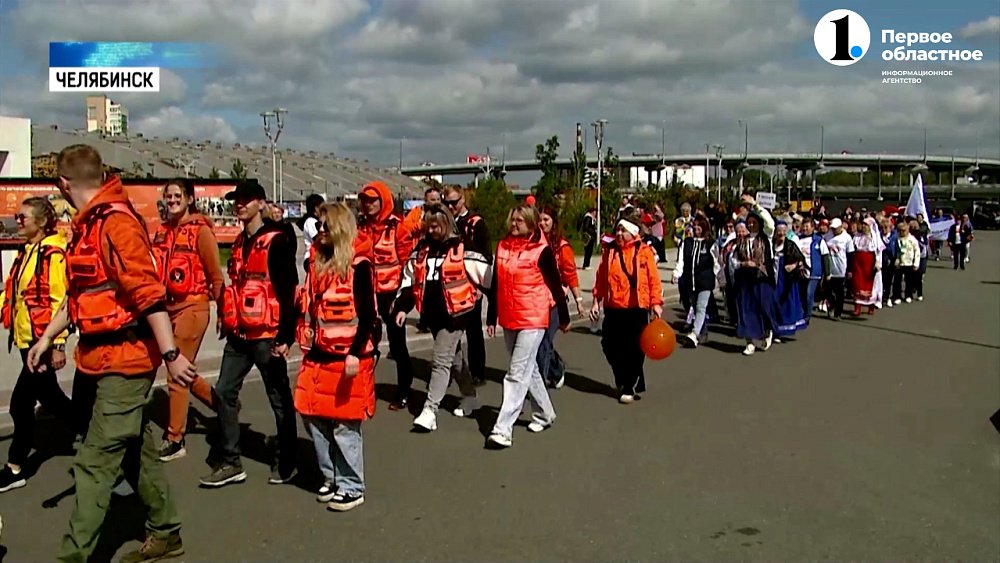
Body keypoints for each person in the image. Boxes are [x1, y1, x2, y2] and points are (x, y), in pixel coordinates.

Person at [26, 144, 197, 562]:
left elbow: (148, 295)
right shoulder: (89, 227)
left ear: (63, 185)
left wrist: (172, 355)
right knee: (135, 449)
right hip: (101, 358)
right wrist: (48, 337)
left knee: (95, 460)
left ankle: (73, 557)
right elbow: (83, 295)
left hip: (128, 359)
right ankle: (166, 530)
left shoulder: (116, 225)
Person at [203, 179, 299, 488]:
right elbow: (236, 285)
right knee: (224, 391)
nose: (239, 204)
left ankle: (287, 459)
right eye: (236, 200)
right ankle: (231, 461)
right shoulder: (239, 242)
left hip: (267, 334)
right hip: (239, 333)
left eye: (245, 199)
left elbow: (288, 292)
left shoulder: (276, 241)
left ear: (260, 203)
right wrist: (224, 317)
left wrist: (286, 337)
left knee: (279, 398)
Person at [294, 203, 380, 512]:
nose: (320, 231)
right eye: (318, 226)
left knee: (345, 426)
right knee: (312, 416)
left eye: (326, 226)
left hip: (349, 357)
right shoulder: (317, 265)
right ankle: (331, 477)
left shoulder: (360, 267)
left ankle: (352, 485)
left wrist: (356, 353)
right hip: (317, 355)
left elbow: (369, 315)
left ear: (341, 228)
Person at [393, 204, 491, 432]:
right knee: (454, 360)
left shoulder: (463, 247)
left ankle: (430, 410)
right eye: (429, 226)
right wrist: (402, 307)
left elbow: (487, 276)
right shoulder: (422, 250)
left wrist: (492, 306)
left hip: (456, 316)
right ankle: (470, 396)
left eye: (436, 226)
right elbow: (410, 280)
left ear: (447, 223)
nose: (432, 230)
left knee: (440, 360)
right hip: (432, 316)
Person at [0, 197, 74, 494]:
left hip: (40, 341)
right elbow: (14, 295)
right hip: (26, 339)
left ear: (41, 222)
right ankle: (104, 439)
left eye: (23, 217)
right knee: (54, 400)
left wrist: (57, 343)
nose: (17, 221)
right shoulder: (29, 251)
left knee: (21, 403)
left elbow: (60, 300)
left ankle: (15, 467)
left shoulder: (53, 254)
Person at [151, 178, 224, 462]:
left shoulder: (200, 232)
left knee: (175, 372)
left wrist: (224, 313)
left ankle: (175, 437)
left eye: (177, 195)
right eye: (168, 196)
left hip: (193, 307)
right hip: (166, 309)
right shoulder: (161, 232)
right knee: (182, 369)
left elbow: (215, 275)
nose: (172, 200)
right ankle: (222, 405)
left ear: (189, 199)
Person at [485, 204, 569, 448]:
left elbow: (555, 286)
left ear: (531, 223)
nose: (514, 225)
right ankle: (545, 412)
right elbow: (495, 285)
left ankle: (503, 429)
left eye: (520, 221)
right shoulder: (502, 247)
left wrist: (563, 317)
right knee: (528, 368)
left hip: (533, 317)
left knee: (516, 373)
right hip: (510, 316)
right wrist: (491, 317)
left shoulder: (541, 251)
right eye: (512, 220)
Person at [357, 181, 416, 411]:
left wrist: (402, 301)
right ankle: (363, 390)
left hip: (391, 295)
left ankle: (404, 391)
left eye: (373, 200)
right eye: (366, 200)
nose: (369, 204)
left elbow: (408, 267)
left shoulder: (398, 229)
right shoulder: (361, 227)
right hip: (366, 294)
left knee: (398, 346)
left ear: (383, 201)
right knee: (364, 344)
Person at [591, 215, 664, 401]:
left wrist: (656, 303)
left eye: (623, 230)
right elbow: (601, 277)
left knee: (634, 348)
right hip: (613, 306)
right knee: (609, 345)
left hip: (637, 307)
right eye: (618, 230)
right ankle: (623, 377)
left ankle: (629, 385)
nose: (619, 233)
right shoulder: (610, 252)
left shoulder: (644, 251)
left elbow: (653, 279)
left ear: (633, 233)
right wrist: (596, 300)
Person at [442, 186, 492, 386]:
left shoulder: (476, 223)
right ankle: (451, 371)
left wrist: (481, 287)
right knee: (448, 331)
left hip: (471, 284)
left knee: (473, 331)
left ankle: (477, 371)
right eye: (448, 203)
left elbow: (485, 255)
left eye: (454, 202)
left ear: (463, 199)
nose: (451, 206)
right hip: (449, 285)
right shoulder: (445, 222)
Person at [537, 206, 585, 386]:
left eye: (546, 220)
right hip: (537, 299)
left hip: (556, 301)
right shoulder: (534, 244)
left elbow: (570, 274)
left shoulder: (562, 247)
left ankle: (539, 384)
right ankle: (556, 370)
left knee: (544, 341)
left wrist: (579, 301)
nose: (542, 224)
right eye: (539, 220)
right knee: (540, 342)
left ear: (553, 222)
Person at [732, 194, 777, 355]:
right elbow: (734, 261)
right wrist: (743, 264)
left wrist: (755, 205)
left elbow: (770, 223)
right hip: (745, 280)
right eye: (749, 222)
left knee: (764, 307)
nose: (751, 225)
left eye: (754, 222)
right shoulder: (742, 241)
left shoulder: (766, 238)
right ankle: (750, 341)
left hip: (761, 278)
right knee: (747, 309)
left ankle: (768, 331)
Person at [672, 215, 719, 348]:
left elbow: (717, 263)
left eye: (699, 226)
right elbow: (681, 260)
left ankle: (694, 334)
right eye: (695, 225)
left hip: (705, 282)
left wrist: (720, 280)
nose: (696, 228)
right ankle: (702, 332)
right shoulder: (687, 243)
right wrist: (676, 273)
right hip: (690, 281)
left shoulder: (710, 244)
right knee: (694, 307)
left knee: (701, 307)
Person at [772, 221, 807, 340]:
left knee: (784, 303)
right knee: (773, 302)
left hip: (785, 280)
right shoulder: (772, 245)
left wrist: (793, 265)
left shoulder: (790, 245)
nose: (781, 233)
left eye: (783, 231)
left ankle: (781, 329)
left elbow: (801, 260)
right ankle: (773, 329)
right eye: (779, 231)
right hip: (773, 277)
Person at [795, 218, 830, 322]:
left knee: (809, 294)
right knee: (801, 293)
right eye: (804, 226)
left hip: (814, 272)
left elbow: (825, 256)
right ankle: (800, 313)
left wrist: (827, 272)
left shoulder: (819, 240)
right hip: (801, 271)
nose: (805, 229)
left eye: (807, 227)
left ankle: (807, 315)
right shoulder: (798, 239)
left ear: (813, 228)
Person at [849, 217, 883, 316]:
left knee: (870, 285)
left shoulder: (875, 238)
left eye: (866, 225)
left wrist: (877, 263)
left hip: (869, 263)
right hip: (858, 263)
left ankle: (871, 306)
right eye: (863, 224)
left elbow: (878, 252)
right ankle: (857, 307)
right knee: (857, 284)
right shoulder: (857, 237)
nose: (863, 226)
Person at [822, 217, 854, 320]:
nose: (834, 230)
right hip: (829, 270)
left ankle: (838, 313)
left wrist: (849, 270)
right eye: (832, 228)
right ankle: (832, 305)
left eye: (835, 228)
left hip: (841, 269)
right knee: (827, 291)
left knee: (839, 293)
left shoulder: (847, 238)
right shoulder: (827, 236)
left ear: (841, 227)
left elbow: (850, 254)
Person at [297, 194, 326, 271]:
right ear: (316, 208)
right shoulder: (310, 221)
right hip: (311, 258)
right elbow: (317, 239)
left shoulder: (317, 220)